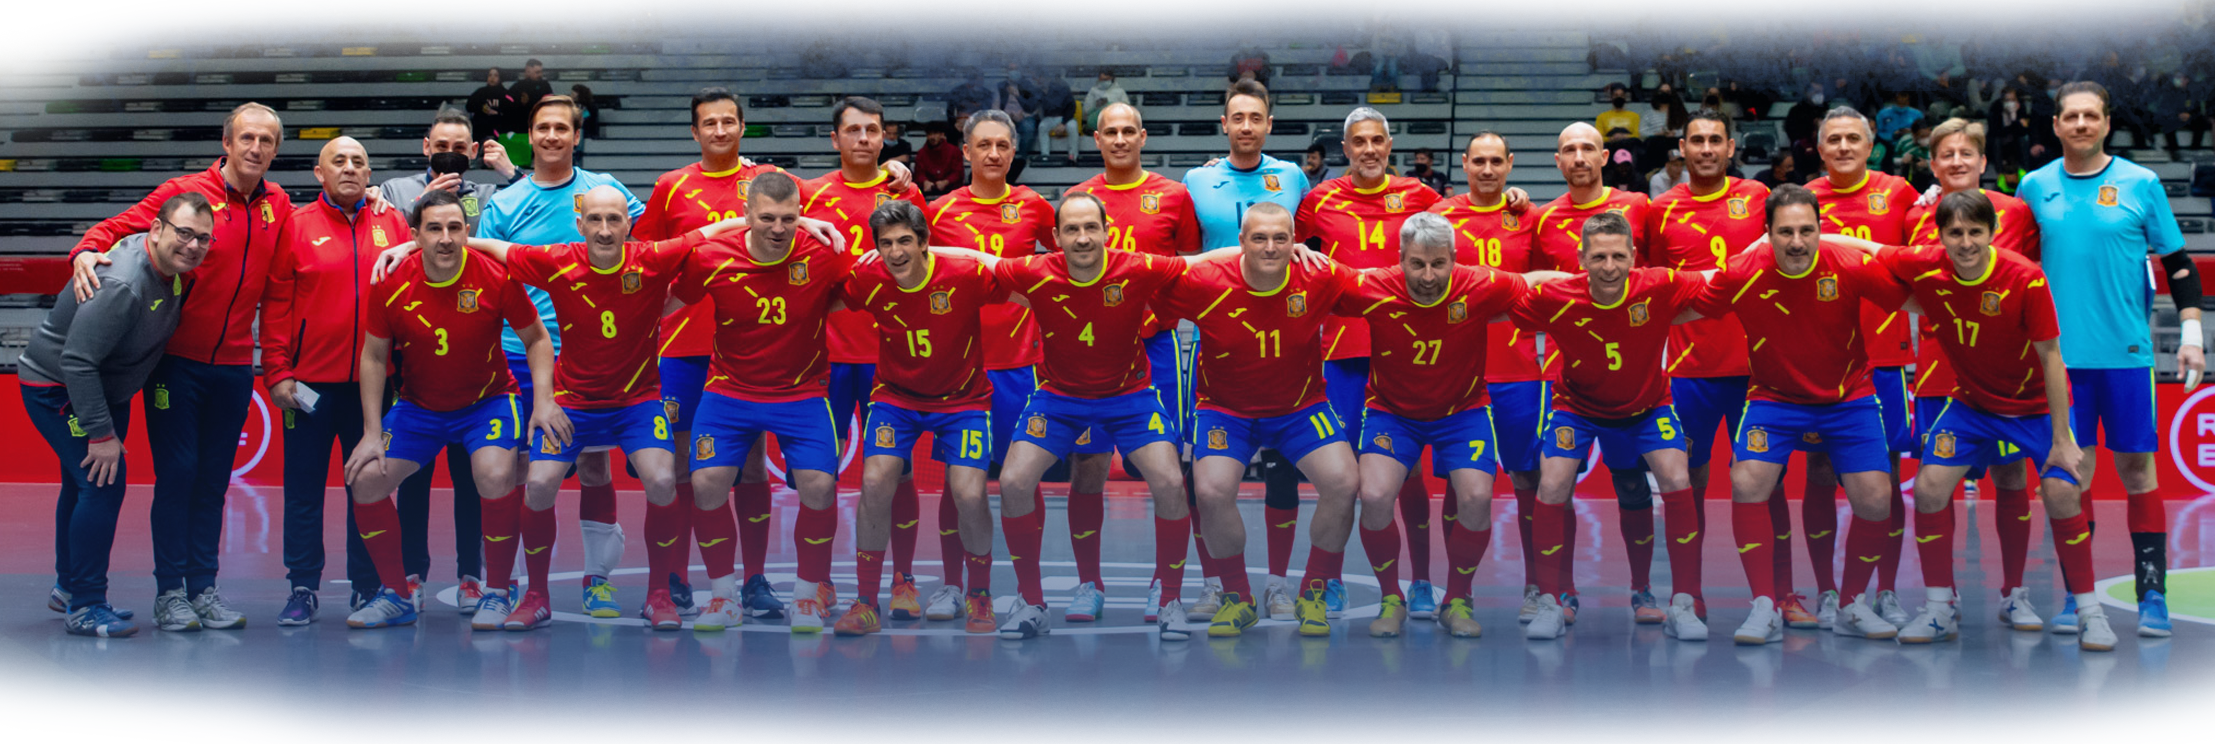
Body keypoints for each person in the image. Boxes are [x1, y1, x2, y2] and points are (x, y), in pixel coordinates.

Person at [1821, 190, 2116, 650]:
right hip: (1972, 407)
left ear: (1992, 232)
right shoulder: (1925, 262)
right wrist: (1806, 238)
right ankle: (1939, 608)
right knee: (1929, 487)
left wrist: (2062, 437)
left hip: (2033, 407)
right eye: (1955, 233)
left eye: (1975, 232)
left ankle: (2089, 611)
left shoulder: (2026, 277)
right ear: (1940, 235)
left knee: (2061, 491)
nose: (1965, 243)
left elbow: (2053, 358)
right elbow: (1869, 249)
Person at [934, 194, 1229, 640]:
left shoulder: (1137, 266)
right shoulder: (1036, 270)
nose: (1083, 237)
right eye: (1072, 229)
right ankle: (1032, 602)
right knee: (1014, 481)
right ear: (1055, 238)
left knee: (1170, 482)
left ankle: (1169, 600)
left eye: (1091, 227)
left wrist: (1282, 249)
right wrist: (914, 250)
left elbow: (1203, 260)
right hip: (1059, 397)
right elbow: (978, 258)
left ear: (1107, 231)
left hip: (1129, 396)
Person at [67, 102, 294, 633]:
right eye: (247, 138)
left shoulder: (278, 204)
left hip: (237, 365)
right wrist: (86, 248)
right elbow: (119, 227)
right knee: (179, 474)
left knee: (214, 480)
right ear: (227, 140)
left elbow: (282, 288)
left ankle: (204, 589)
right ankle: (169, 593)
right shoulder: (185, 193)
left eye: (266, 141)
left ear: (276, 150)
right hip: (175, 364)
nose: (256, 149)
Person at [264, 137, 478, 626]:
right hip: (309, 387)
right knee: (303, 490)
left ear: (370, 173)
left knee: (371, 484)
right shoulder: (295, 226)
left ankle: (367, 585)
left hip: (377, 387)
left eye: (359, 161)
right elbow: (275, 304)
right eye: (338, 161)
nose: (349, 168)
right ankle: (303, 587)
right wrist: (277, 371)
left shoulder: (392, 222)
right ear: (320, 174)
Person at [1689, 183, 1914, 643]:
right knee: (1746, 480)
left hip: (1849, 397)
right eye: (1785, 231)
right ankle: (1764, 605)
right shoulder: (1741, 271)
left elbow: (1911, 299)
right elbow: (1684, 309)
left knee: (1876, 498)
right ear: (1766, 233)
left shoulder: (1849, 265)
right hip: (1774, 399)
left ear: (1820, 230)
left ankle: (1851, 603)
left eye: (1807, 231)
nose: (1797, 242)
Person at [2020, 80, 2198, 639]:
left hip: (2126, 355)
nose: (2080, 125)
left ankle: (2153, 598)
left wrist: (2192, 330)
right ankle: (2078, 598)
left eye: (2090, 116)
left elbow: (2179, 265)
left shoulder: (2140, 183)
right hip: (2057, 363)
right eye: (2069, 116)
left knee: (2138, 472)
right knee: (2070, 476)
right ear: (2055, 125)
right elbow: (2009, 263)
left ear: (2106, 122)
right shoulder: (2033, 186)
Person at [337, 190, 554, 630]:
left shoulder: (494, 276)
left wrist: (544, 403)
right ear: (415, 235)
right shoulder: (390, 281)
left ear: (467, 232)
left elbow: (537, 339)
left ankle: (496, 592)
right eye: (434, 228)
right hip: (419, 407)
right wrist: (371, 430)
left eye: (455, 228)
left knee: (494, 476)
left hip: (488, 400)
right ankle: (397, 595)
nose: (445, 238)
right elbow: (374, 357)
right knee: (365, 481)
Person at [1338, 211, 1555, 638]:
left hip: (1463, 413)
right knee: (1376, 494)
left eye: (1439, 264)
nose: (1428, 275)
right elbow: (1318, 282)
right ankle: (1390, 599)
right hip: (1392, 413)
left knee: (1475, 496)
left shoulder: (1480, 283)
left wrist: (1595, 281)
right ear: (1400, 258)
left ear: (1454, 258)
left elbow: (1534, 281)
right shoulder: (1375, 285)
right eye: (1417, 263)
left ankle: (1457, 598)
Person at [1153, 202, 1362, 638]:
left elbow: (1384, 288)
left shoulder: (1320, 275)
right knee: (1209, 489)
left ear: (1294, 242)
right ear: (1241, 242)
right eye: (1259, 239)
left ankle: (1314, 592)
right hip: (1226, 410)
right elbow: (1141, 279)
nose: (1270, 248)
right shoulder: (1207, 281)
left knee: (1344, 481)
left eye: (1280, 239)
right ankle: (1237, 598)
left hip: (1301, 408)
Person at [473, 94, 644, 620]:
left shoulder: (606, 191)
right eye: (542, 128)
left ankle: (598, 581)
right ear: (530, 135)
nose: (551, 136)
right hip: (519, 354)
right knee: (525, 471)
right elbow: (488, 276)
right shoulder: (503, 204)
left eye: (561, 129)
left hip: (589, 353)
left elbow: (636, 253)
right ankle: (528, 587)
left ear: (576, 135)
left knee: (594, 464)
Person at [660, 172, 851, 633]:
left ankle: (806, 597)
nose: (779, 228)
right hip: (729, 392)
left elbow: (861, 292)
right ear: (745, 214)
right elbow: (663, 305)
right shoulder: (711, 257)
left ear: (801, 216)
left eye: (790, 218)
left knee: (819, 487)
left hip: (802, 392)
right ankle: (723, 597)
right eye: (767, 217)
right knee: (706, 482)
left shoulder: (824, 255)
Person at [1508, 211, 1705, 641]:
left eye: (1619, 256)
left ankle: (1678, 600)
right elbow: (1501, 301)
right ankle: (1552, 599)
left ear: (1634, 256)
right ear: (1581, 258)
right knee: (1552, 484)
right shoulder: (1556, 294)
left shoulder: (1659, 284)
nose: (1610, 266)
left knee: (1674, 477)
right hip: (1576, 407)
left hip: (1648, 405)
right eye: (1599, 257)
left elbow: (1721, 280)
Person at [634, 88, 789, 620]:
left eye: (729, 121)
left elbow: (817, 213)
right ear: (694, 131)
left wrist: (895, 177)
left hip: (750, 348)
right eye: (709, 123)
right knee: (679, 464)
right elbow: (646, 258)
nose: (719, 130)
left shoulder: (770, 183)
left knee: (748, 462)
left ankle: (754, 581)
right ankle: (675, 577)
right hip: (683, 346)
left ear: (743, 126)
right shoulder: (670, 187)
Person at [27, 193, 209, 638]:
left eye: (203, 239)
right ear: (156, 230)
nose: (192, 245)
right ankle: (87, 604)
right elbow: (77, 361)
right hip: (57, 387)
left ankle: (70, 587)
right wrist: (101, 434)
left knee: (81, 482)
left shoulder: (177, 275)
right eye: (184, 233)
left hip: (106, 389)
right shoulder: (124, 283)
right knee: (101, 483)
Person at [1060, 101, 1204, 625]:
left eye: (1128, 131)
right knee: (1088, 466)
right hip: (1090, 351)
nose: (1120, 139)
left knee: (1168, 470)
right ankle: (1087, 585)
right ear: (1095, 139)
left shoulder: (1173, 196)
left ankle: (1164, 588)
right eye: (1109, 132)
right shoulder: (1080, 200)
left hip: (1156, 350)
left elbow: (1186, 271)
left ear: (1143, 136)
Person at [1901, 118, 2047, 631]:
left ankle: (2015, 593)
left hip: (2004, 377)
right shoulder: (1914, 216)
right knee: (1934, 485)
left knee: (2010, 478)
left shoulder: (2017, 213)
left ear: (1984, 162)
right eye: (1947, 155)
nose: (1957, 161)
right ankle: (1942, 601)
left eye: (1967, 153)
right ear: (1933, 164)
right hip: (1940, 374)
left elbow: (2029, 288)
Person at [1296, 106, 1441, 621]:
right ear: (1346, 148)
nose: (1370, 150)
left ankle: (1422, 581)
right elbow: (1292, 253)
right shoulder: (1318, 200)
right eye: (1359, 142)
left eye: (1378, 140)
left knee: (1410, 475)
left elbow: (1464, 224)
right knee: (1341, 476)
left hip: (1404, 351)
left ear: (1390, 143)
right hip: (1341, 354)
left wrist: (1513, 200)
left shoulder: (1420, 196)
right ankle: (1331, 580)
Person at [1178, 80, 1311, 621]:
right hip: (1210, 337)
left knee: (1282, 467)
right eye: (1238, 117)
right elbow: (1183, 252)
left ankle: (1279, 584)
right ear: (1225, 125)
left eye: (1257, 117)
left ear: (1269, 124)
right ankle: (1217, 582)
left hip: (1283, 335)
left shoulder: (1294, 177)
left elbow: (1314, 242)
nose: (1247, 126)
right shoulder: (1196, 180)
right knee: (1202, 471)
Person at [843, 201, 1007, 635]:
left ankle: (980, 595)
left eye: (904, 242)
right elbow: (815, 303)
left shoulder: (963, 275)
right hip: (895, 398)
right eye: (885, 244)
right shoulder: (868, 278)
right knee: (876, 481)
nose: (895, 253)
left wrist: (984, 256)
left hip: (963, 401)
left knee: (968, 493)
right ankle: (865, 603)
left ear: (924, 241)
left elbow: (1032, 288)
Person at [1641, 111, 1772, 634]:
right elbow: (1649, 286)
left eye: (1716, 139)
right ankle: (1687, 596)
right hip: (1688, 370)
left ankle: (1776, 597)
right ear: (1681, 148)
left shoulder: (1759, 197)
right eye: (1697, 140)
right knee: (1685, 485)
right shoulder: (1661, 210)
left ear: (1732, 146)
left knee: (1764, 481)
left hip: (1758, 369)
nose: (1706, 148)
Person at [801, 97, 931, 623]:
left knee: (894, 474)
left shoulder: (907, 192)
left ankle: (902, 580)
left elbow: (922, 274)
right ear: (834, 139)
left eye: (872, 130)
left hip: (887, 358)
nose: (862, 138)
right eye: (851, 130)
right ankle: (824, 580)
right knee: (821, 474)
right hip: (824, 357)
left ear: (884, 137)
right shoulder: (810, 196)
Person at [924, 109, 1057, 619]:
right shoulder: (942, 212)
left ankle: (1030, 590)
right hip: (957, 369)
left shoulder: (1035, 207)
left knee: (1022, 480)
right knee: (960, 480)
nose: (994, 154)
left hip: (1018, 367)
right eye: (984, 145)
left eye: (1003, 145)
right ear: (967, 149)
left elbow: (1065, 266)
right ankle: (958, 587)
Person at [1523, 120, 1655, 625]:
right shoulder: (1540, 218)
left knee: (1632, 484)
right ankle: (1563, 593)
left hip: (1633, 379)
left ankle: (1643, 591)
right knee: (1558, 484)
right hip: (1568, 380)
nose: (1578, 157)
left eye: (1587, 149)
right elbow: (1538, 291)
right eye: (1568, 150)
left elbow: (1655, 285)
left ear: (1604, 156)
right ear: (1557, 161)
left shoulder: (1639, 207)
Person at [1804, 106, 1921, 628]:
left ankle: (1888, 589)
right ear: (1820, 147)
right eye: (1835, 139)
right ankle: (1827, 591)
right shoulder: (1803, 198)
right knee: (1819, 473)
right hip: (1821, 361)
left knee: (1887, 477)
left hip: (1886, 360)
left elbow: (1924, 255)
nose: (1845, 147)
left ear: (1872, 143)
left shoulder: (1899, 192)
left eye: (1855, 137)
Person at [1427, 130, 1547, 632]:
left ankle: (1537, 586)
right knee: (1462, 485)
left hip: (1518, 372)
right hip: (1459, 373)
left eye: (1497, 161)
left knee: (1528, 481)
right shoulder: (1441, 217)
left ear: (1511, 164)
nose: (1488, 169)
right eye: (1479, 161)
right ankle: (1459, 594)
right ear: (1464, 163)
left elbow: (1548, 287)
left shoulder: (1529, 217)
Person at [378, 110, 516, 232]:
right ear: (426, 146)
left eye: (459, 148)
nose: (450, 153)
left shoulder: (487, 196)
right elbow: (384, 235)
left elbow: (533, 215)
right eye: (442, 146)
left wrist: (512, 173)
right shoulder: (394, 191)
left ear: (473, 151)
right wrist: (422, 202)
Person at [1034, 70, 1077, 163]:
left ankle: (1073, 156)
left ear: (1047, 79)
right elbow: (1033, 107)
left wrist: (1063, 123)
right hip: (1049, 118)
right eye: (1038, 79)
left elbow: (1071, 107)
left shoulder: (1062, 89)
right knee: (1042, 127)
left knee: (1073, 126)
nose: (1040, 81)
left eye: (1042, 78)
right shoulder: (1037, 92)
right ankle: (1045, 155)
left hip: (1065, 117)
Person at [916, 123, 964, 198]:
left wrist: (946, 181)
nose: (932, 137)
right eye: (929, 134)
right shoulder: (921, 153)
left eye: (935, 134)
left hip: (951, 192)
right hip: (928, 194)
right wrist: (924, 181)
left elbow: (958, 172)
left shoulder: (954, 151)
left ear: (942, 135)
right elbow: (919, 173)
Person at [465, 67, 514, 140]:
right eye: (490, 75)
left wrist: (498, 113)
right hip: (480, 131)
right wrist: (481, 108)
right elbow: (469, 106)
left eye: (495, 75)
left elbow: (512, 112)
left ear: (500, 78)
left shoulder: (506, 95)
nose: (492, 78)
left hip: (499, 131)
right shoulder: (480, 92)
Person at [1082, 70, 1130, 142]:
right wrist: (1097, 105)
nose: (1104, 82)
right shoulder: (1094, 91)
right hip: (1096, 119)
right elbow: (1086, 110)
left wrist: (1114, 106)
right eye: (1102, 79)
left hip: (1115, 119)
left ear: (1112, 79)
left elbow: (1127, 108)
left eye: (1106, 79)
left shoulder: (1120, 91)